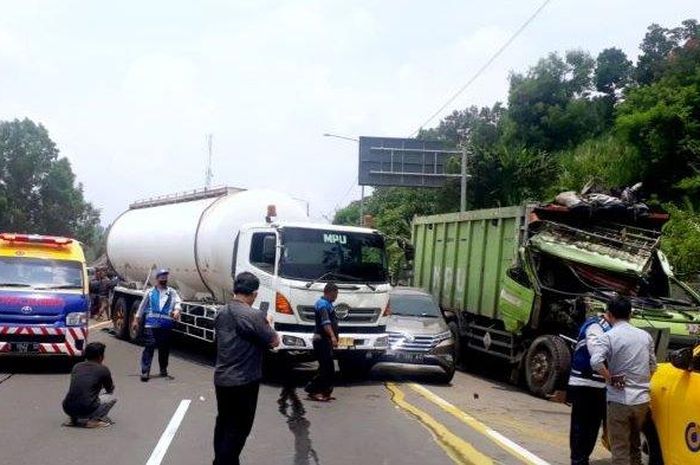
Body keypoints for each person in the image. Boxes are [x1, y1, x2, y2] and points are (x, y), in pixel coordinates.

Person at [213, 271, 279, 465]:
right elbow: (274, 341)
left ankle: (223, 460)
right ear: (254, 293)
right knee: (239, 428)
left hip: (222, 378)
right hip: (244, 380)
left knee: (223, 423)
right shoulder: (254, 315)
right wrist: (269, 324)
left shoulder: (221, 312)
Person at [590, 295, 657, 465]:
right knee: (635, 446)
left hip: (619, 400)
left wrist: (610, 378)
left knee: (619, 449)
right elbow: (653, 366)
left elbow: (596, 361)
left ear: (609, 315)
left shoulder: (609, 336)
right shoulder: (645, 336)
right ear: (630, 315)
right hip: (642, 401)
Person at [568, 303, 612, 465]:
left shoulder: (611, 328)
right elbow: (596, 355)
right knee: (581, 425)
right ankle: (578, 460)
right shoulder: (595, 326)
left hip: (600, 385)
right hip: (584, 382)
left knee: (593, 426)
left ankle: (582, 458)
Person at [134, 269, 182, 382]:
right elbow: (141, 307)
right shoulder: (150, 292)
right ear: (157, 280)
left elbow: (178, 303)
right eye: (161, 279)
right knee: (149, 346)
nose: (163, 281)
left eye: (165, 279)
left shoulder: (172, 292)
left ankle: (163, 369)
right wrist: (136, 320)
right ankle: (145, 371)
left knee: (164, 348)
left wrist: (177, 310)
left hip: (166, 325)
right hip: (151, 324)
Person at [62, 342, 116, 428]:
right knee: (111, 398)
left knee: (78, 394)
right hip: (86, 408)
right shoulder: (103, 369)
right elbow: (110, 389)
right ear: (100, 356)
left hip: (67, 407)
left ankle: (72, 419)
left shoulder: (76, 366)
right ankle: (94, 421)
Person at [305, 283, 339, 402]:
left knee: (327, 367)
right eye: (336, 293)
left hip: (325, 340)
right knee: (327, 368)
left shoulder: (327, 304)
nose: (337, 296)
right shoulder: (323, 305)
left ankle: (325, 392)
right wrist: (333, 337)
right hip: (322, 340)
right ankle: (313, 390)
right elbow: (326, 323)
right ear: (330, 292)